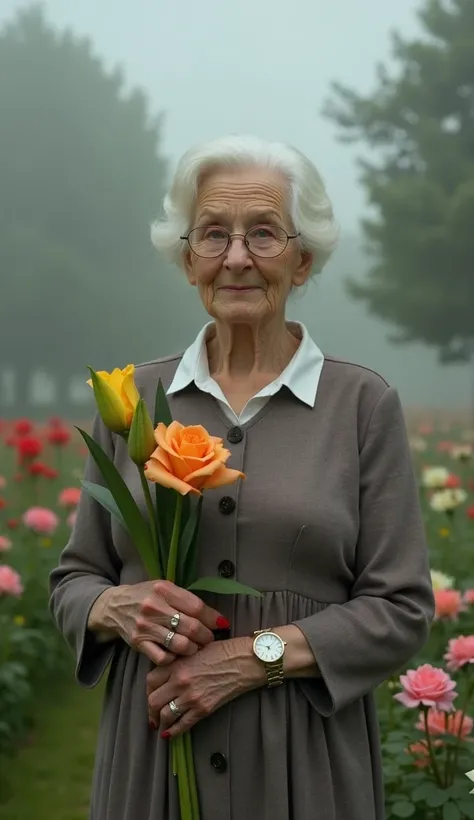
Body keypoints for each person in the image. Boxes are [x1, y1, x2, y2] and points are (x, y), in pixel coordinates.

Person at [49, 134, 435, 820]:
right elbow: (75, 580)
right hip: (152, 761)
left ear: (304, 258)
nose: (236, 257)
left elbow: (399, 608)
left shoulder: (360, 405)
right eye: (213, 235)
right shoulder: (133, 397)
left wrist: (256, 657)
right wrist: (115, 607)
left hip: (304, 767)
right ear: (187, 258)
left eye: (263, 234)